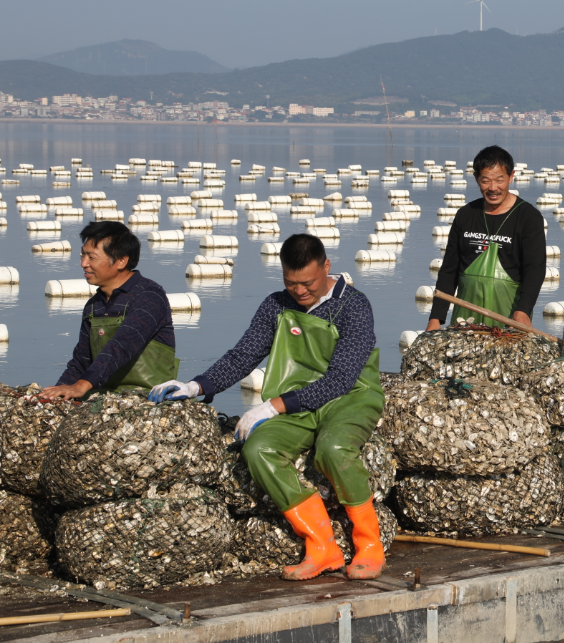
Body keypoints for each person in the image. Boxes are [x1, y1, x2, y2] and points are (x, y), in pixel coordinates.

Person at [148, 234, 384, 581]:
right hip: (298, 404)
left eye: (308, 283)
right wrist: (195, 386)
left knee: (333, 448)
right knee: (258, 449)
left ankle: (369, 545)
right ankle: (322, 547)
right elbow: (244, 355)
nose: (299, 291)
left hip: (350, 398)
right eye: (291, 283)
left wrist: (271, 406)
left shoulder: (354, 305)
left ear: (327, 267)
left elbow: (340, 380)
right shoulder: (276, 305)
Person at [38, 221, 178, 402]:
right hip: (103, 396)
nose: (83, 263)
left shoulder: (149, 296)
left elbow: (122, 345)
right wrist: (54, 394)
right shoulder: (93, 305)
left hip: (149, 396)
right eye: (82, 255)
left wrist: (82, 385)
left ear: (121, 260)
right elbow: (81, 362)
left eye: (92, 257)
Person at [427, 145, 547, 329]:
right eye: (485, 181)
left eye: (500, 180)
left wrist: (523, 311)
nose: (493, 188)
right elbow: (449, 270)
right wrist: (436, 319)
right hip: (465, 321)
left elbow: (535, 270)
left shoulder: (528, 217)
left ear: (511, 177)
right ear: (476, 178)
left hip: (509, 319)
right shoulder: (466, 215)